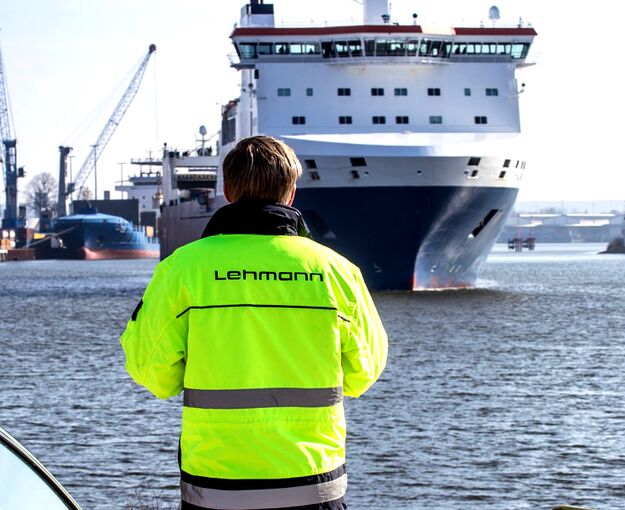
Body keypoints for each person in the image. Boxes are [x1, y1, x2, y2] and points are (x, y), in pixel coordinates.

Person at [121, 135, 388, 510]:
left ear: (228, 192)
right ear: (291, 194)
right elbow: (365, 372)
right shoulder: (337, 272)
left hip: (216, 486)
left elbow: (150, 371)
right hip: (314, 484)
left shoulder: (182, 269)